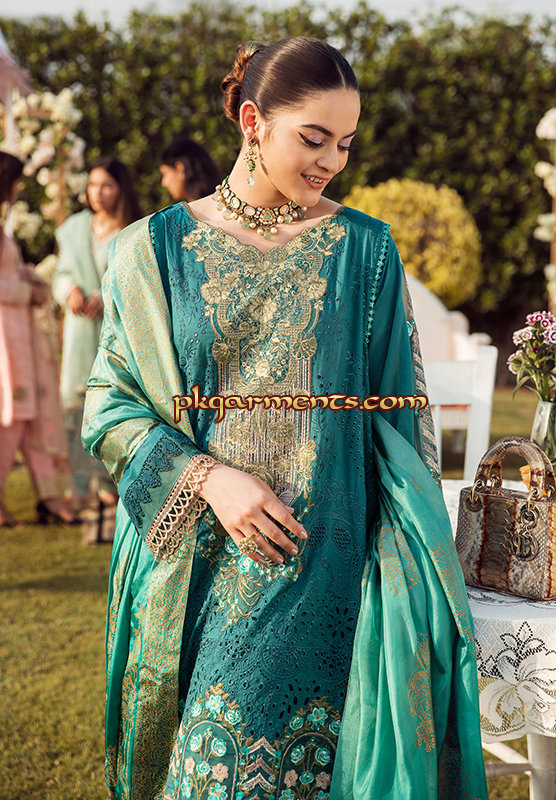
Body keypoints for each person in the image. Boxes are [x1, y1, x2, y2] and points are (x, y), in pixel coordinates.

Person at [82, 38, 488, 800]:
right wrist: (210, 479)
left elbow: (400, 422)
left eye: (345, 143)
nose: (331, 160)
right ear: (251, 122)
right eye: (314, 137)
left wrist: (406, 574)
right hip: (197, 565)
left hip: (332, 571)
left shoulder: (366, 252)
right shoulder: (152, 252)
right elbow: (109, 407)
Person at [53, 157, 142, 509]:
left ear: (120, 189)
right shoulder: (74, 229)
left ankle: (109, 481)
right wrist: (70, 290)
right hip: (79, 328)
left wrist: (106, 298)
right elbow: (61, 273)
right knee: (74, 404)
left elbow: (138, 281)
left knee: (112, 398)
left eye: (106, 185)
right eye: (92, 185)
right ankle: (76, 483)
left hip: (115, 329)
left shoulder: (133, 230)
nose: (97, 192)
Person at [0, 151, 77, 526]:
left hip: (18, 333)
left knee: (29, 412)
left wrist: (29, 280)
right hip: (5, 334)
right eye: (16, 181)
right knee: (9, 414)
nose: (18, 189)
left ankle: (50, 496)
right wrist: (25, 291)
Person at [159, 137, 221, 202]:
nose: (164, 183)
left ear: (180, 169)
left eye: (165, 174)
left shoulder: (198, 207)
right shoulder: (222, 200)